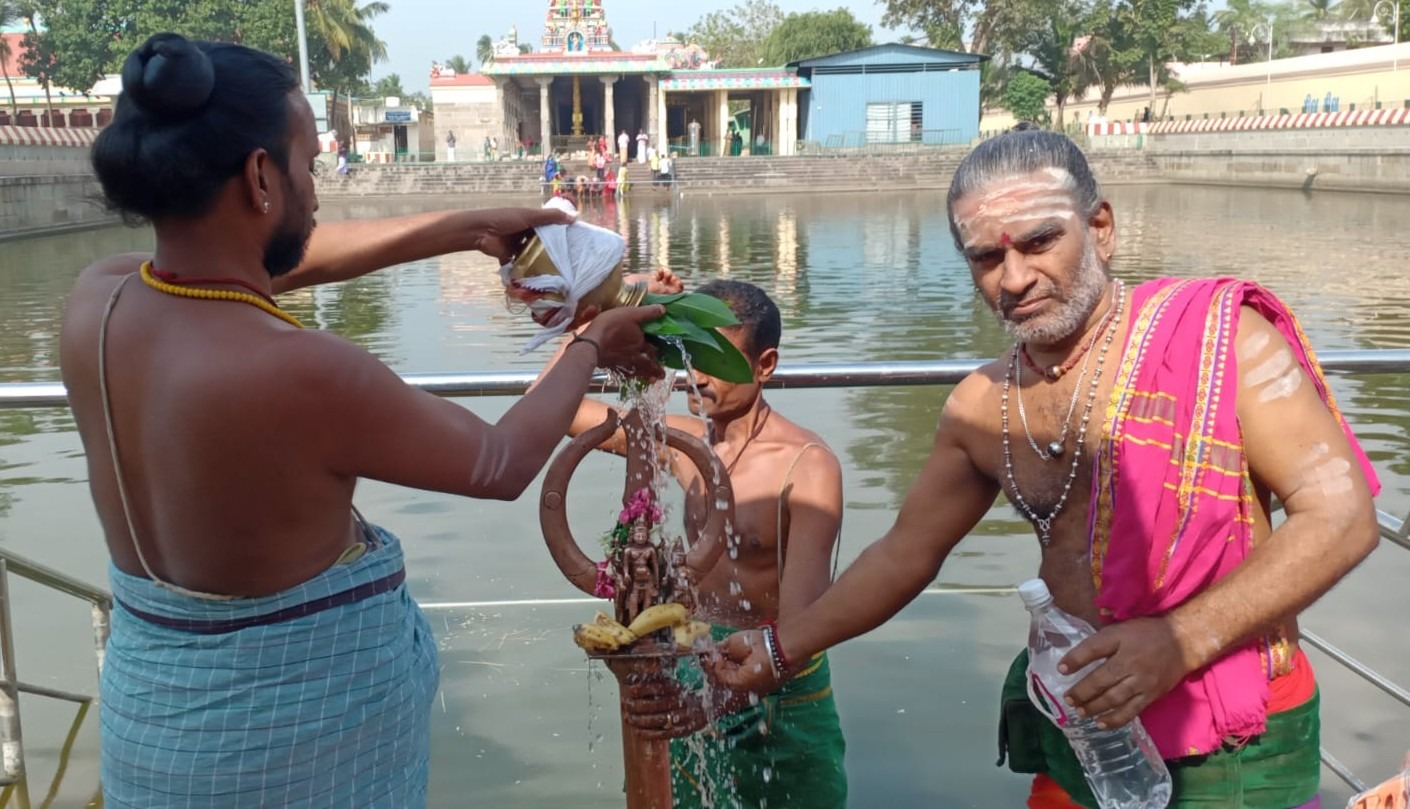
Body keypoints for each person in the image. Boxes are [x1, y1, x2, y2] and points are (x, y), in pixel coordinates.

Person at [65, 33, 663, 808]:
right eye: (308, 163)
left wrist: (466, 228)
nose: (316, 189)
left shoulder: (99, 301)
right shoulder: (299, 368)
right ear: (259, 175)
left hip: (155, 726)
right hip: (292, 755)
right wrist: (590, 343)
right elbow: (499, 462)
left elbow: (284, 263)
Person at [709, 130, 1382, 808]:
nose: (1014, 277)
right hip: (1081, 724)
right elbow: (904, 553)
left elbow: (1341, 514)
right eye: (987, 256)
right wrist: (779, 646)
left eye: (1038, 242)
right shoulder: (983, 403)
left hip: (1232, 735)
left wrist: (1182, 639)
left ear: (1101, 229)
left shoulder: (1220, 340)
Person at [543, 278, 849, 807]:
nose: (696, 377)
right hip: (693, 665)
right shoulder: (682, 443)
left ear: (765, 365)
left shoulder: (808, 467)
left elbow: (803, 629)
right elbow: (554, 407)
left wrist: (713, 703)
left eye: (716, 361)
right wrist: (613, 311)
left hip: (778, 686)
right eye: (690, 356)